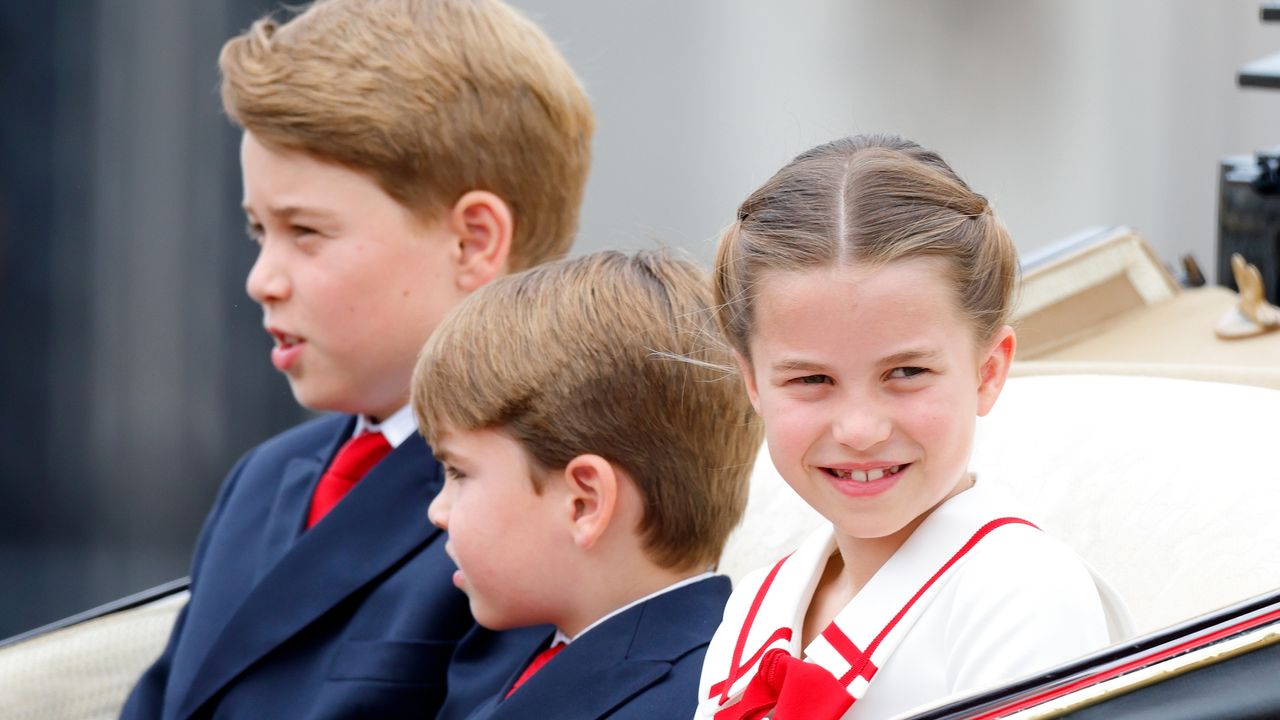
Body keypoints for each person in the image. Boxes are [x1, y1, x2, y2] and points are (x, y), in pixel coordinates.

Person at [120, 1, 593, 717]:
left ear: (472, 241)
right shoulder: (265, 479)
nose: (261, 278)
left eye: (305, 231)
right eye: (258, 231)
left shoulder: (551, 509)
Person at [697, 135, 1131, 720]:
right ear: (752, 383)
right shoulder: (753, 609)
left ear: (988, 371)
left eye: (906, 372)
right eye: (811, 380)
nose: (859, 429)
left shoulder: (1024, 596)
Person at [414, 250, 763, 720]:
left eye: (458, 473)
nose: (438, 510)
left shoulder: (701, 702)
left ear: (584, 502)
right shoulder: (508, 653)